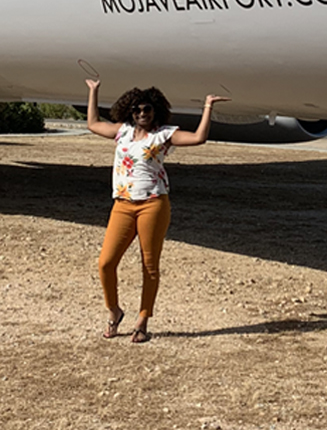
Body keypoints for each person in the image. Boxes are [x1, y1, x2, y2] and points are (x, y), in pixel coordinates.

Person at [84, 78, 229, 343]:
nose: (142, 114)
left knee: (149, 265)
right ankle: (114, 311)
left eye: (147, 110)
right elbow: (93, 124)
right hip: (123, 205)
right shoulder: (123, 132)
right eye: (137, 110)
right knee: (105, 263)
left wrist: (207, 107)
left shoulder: (163, 135)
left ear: (155, 111)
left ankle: (142, 320)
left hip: (153, 204)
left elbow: (199, 138)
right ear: (131, 111)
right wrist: (94, 92)